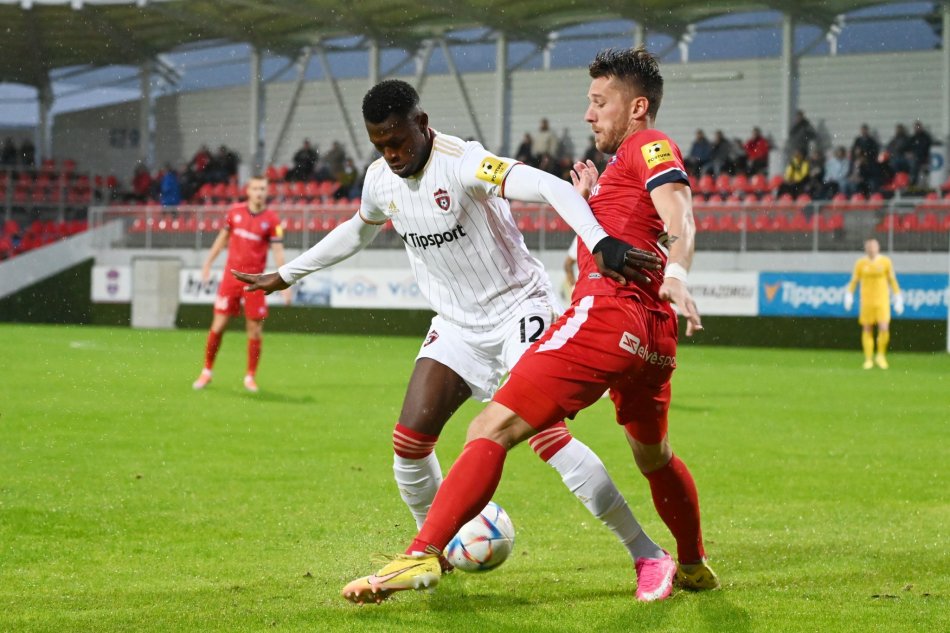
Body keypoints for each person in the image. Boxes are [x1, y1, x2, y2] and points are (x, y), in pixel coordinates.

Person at [235, 79, 677, 602]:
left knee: (548, 439)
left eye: (398, 140)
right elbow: (358, 229)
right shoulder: (379, 180)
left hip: (518, 310)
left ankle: (647, 553)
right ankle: (432, 554)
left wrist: (600, 240)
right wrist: (288, 274)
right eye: (380, 145)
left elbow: (550, 187)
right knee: (408, 446)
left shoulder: (466, 162)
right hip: (457, 325)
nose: (391, 154)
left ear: (422, 124)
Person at [340, 47, 717, 605]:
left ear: (637, 107)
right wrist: (591, 203)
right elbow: (632, 229)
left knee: (490, 428)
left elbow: (678, 210)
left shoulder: (648, 144)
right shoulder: (617, 172)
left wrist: (679, 271)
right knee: (653, 456)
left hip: (609, 316)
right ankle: (691, 563)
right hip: (653, 337)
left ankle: (422, 552)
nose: (589, 114)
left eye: (599, 102)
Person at [192, 175, 290, 393]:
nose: (259, 192)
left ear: (267, 192)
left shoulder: (272, 220)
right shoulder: (234, 212)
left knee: (254, 330)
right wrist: (208, 263)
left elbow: (278, 252)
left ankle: (250, 377)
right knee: (218, 325)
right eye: (255, 188)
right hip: (231, 278)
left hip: (256, 281)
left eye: (262, 189)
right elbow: (221, 239)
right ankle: (207, 371)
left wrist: (285, 281)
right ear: (248, 191)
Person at [844, 238, 903, 369]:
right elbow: (854, 280)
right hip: (866, 301)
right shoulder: (860, 263)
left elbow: (892, 280)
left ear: (878, 248)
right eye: (869, 247)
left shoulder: (885, 262)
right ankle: (868, 358)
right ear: (865, 249)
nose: (871, 249)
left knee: (884, 327)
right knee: (867, 328)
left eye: (873, 246)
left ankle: (881, 355)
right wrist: (849, 294)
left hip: (882, 301)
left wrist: (898, 296)